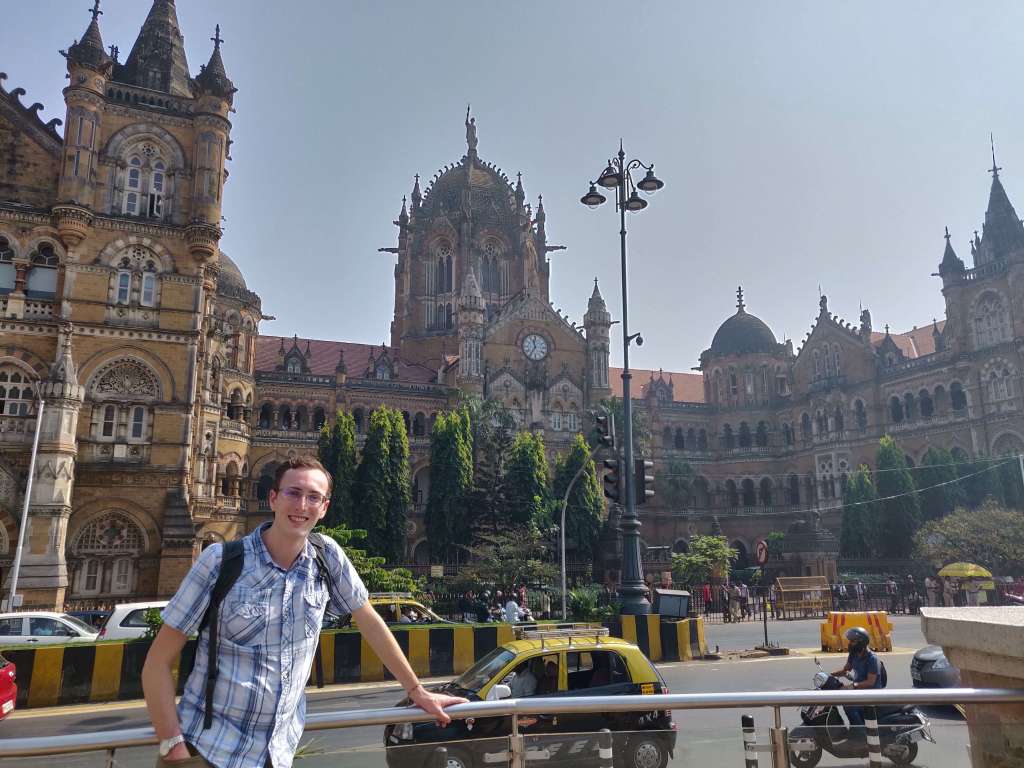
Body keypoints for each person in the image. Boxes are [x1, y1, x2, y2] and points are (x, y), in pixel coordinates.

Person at [142, 456, 465, 768]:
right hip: (209, 751)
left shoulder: (326, 558)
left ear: (324, 508)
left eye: (313, 497)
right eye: (293, 493)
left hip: (275, 753)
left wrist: (417, 691)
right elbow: (157, 663)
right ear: (273, 498)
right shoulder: (221, 561)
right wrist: (174, 745)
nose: (301, 506)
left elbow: (370, 621)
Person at [831, 626, 885, 741]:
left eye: (852, 641)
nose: (850, 644)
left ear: (861, 642)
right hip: (860, 691)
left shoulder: (872, 659)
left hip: (872, 693)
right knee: (844, 700)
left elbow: (871, 682)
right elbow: (846, 670)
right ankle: (855, 728)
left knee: (849, 706)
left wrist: (853, 686)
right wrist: (830, 676)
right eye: (849, 641)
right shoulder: (854, 654)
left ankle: (861, 736)